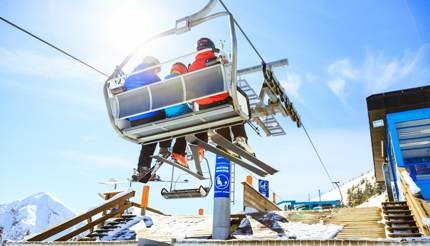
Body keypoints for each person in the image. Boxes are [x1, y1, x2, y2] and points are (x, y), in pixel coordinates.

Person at [189, 37, 255, 157]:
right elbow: (229, 77)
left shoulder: (192, 66)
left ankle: (225, 142)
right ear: (212, 48)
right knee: (234, 105)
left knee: (220, 115)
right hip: (220, 100)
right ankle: (240, 138)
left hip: (204, 106)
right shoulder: (217, 60)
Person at [125, 56, 170, 181]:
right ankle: (165, 146)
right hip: (148, 116)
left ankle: (143, 169)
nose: (156, 73)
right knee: (166, 115)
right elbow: (164, 90)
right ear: (153, 66)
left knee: (149, 139)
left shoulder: (129, 78)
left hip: (134, 120)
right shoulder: (151, 76)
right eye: (156, 70)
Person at [159, 62, 192, 168]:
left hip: (168, 114)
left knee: (167, 124)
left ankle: (164, 147)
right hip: (181, 112)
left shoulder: (163, 83)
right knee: (186, 126)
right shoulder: (184, 81)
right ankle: (178, 152)